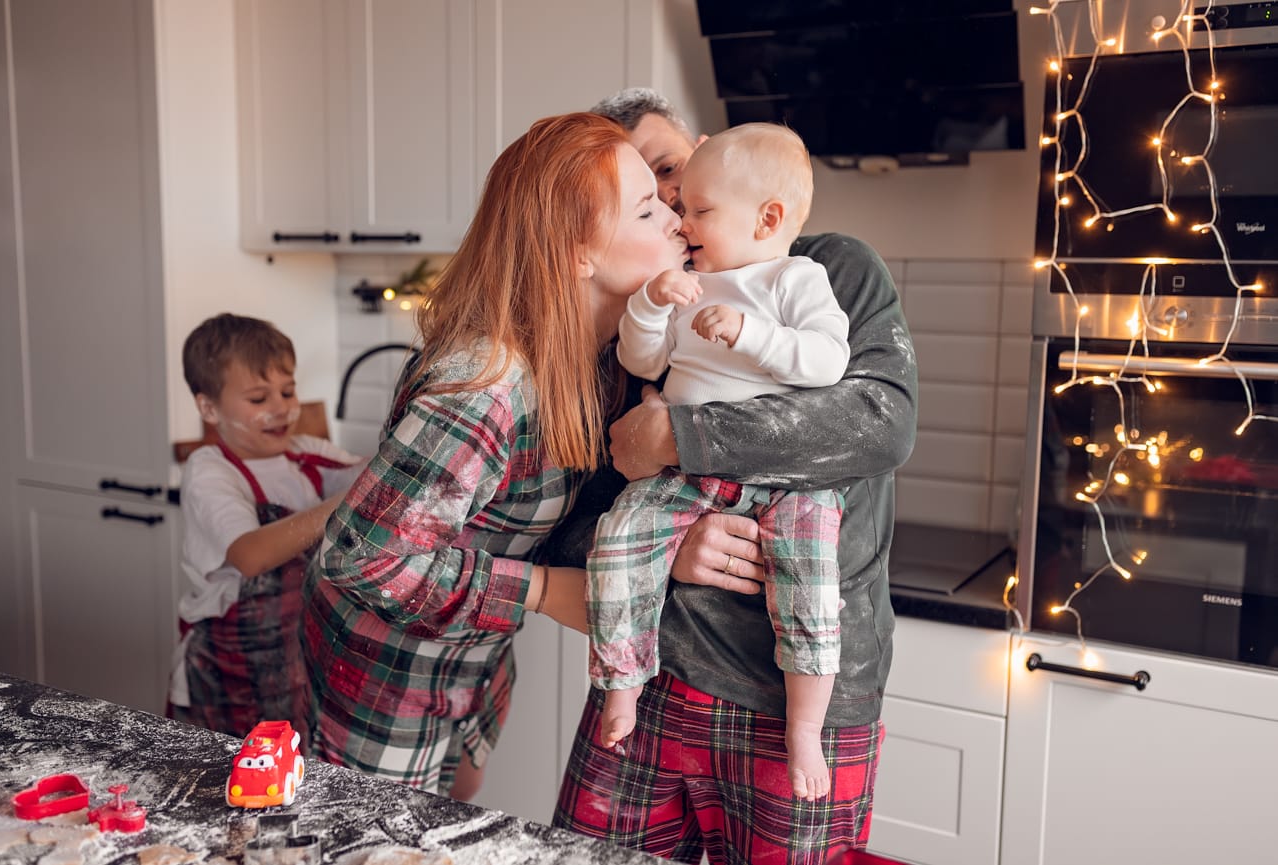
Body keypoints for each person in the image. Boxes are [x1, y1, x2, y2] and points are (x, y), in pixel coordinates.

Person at [548, 88, 918, 863]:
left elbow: (878, 420)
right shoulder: (641, 307)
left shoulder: (831, 268)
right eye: (646, 198)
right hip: (653, 679)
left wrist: (677, 436)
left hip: (793, 699)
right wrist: (673, 546)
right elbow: (569, 519)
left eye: (672, 173)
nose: (675, 210)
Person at [299, 112, 693, 802]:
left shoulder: (600, 361)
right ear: (577, 252)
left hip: (473, 661)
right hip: (382, 674)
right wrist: (542, 591)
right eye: (646, 208)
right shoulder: (486, 383)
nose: (674, 215)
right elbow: (362, 558)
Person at [587, 122, 851, 803]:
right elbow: (643, 362)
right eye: (679, 207)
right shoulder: (689, 283)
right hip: (684, 477)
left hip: (787, 482)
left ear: (767, 219)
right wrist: (650, 306)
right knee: (619, 536)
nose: (682, 222)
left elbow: (828, 362)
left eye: (699, 209)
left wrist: (749, 332)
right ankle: (621, 681)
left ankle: (805, 727)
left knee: (810, 584)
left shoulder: (797, 279)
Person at [169, 313, 364, 745]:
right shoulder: (210, 470)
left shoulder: (305, 453)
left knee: (289, 769)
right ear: (209, 408)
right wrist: (340, 505)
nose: (281, 408)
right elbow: (250, 555)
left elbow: (368, 477)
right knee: (229, 771)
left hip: (298, 656)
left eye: (288, 391)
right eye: (259, 398)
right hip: (230, 667)